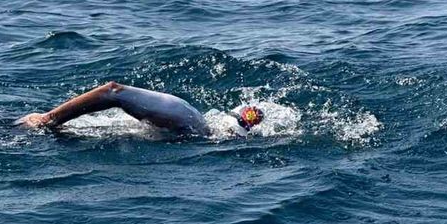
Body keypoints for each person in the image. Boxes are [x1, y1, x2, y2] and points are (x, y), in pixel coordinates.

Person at [16, 81, 264, 137]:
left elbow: (112, 92)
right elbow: (112, 92)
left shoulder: (187, 121)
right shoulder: (188, 123)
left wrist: (49, 120)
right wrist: (49, 121)